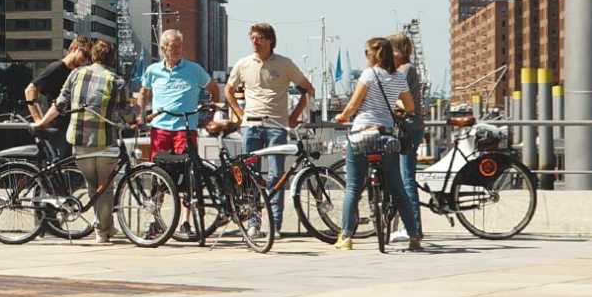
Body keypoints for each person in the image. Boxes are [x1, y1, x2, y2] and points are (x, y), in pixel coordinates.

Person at [31, 37, 134, 243]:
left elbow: (60, 103)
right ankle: (102, 231)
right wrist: (136, 119)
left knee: (91, 183)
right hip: (104, 141)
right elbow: (126, 113)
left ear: (93, 56)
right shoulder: (117, 80)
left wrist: (41, 121)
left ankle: (105, 227)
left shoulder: (76, 74)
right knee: (105, 186)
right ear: (112, 59)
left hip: (77, 139)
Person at [332, 36, 424, 251]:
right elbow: (410, 107)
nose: (364, 56)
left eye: (366, 53)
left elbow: (354, 105)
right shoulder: (398, 77)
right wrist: (396, 109)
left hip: (362, 133)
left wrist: (342, 116)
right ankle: (413, 235)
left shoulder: (369, 74)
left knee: (353, 187)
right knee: (397, 187)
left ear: (372, 55)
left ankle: (346, 237)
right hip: (385, 135)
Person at [226, 22, 314, 232]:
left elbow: (308, 89)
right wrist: (240, 115)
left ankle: (275, 225)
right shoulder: (243, 64)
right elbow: (229, 90)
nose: (255, 42)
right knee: (250, 175)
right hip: (251, 125)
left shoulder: (284, 64)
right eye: (252, 38)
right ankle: (253, 223)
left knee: (277, 174)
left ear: (270, 40)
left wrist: (293, 116)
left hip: (277, 125)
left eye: (259, 38)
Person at [138, 29, 220, 158]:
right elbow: (143, 93)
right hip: (159, 128)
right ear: (163, 48)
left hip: (185, 129)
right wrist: (140, 114)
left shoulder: (195, 69)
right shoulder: (152, 70)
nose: (177, 50)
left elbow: (214, 89)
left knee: (186, 168)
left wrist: (210, 115)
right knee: (159, 168)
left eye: (179, 46)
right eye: (173, 46)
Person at [26, 37, 91, 162]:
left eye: (89, 57)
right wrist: (38, 120)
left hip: (67, 129)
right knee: (55, 170)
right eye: (85, 54)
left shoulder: (74, 73)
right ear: (74, 49)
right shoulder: (57, 68)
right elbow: (30, 89)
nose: (86, 60)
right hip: (54, 130)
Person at [387, 30, 425, 242]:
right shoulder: (403, 69)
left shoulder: (406, 70)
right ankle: (411, 226)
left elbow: (401, 99)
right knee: (404, 176)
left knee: (406, 177)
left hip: (408, 127)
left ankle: (413, 228)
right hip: (409, 126)